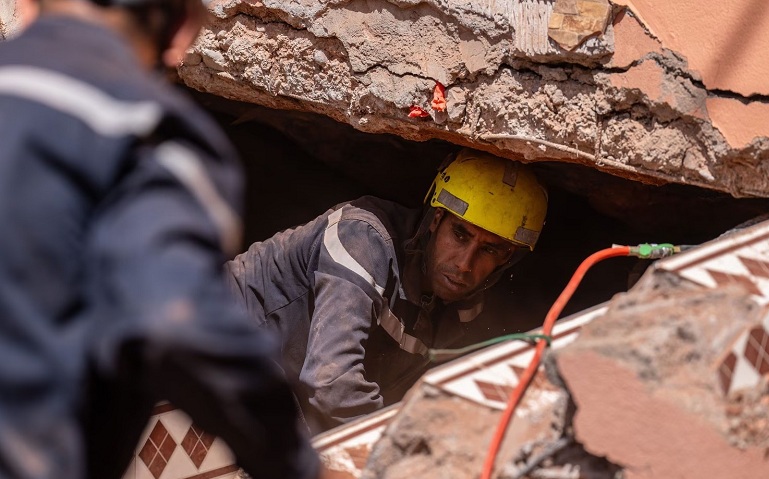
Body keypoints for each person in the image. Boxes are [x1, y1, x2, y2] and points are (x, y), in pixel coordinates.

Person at [0, 1, 321, 479]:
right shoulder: (143, 134)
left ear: (25, 8)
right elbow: (174, 321)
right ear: (182, 31)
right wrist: (296, 466)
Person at [226, 148, 549, 433]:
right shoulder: (363, 238)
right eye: (460, 235)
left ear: (507, 258)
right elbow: (331, 382)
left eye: (489, 250)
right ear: (436, 220)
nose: (465, 264)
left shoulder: (464, 309)